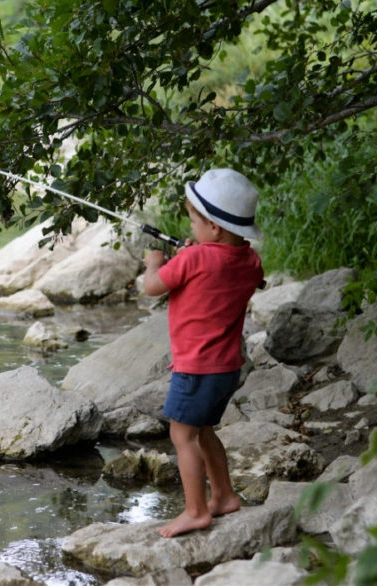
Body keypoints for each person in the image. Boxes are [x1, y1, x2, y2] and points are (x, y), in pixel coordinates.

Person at [142, 168, 265, 538]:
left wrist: (154, 262)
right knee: (204, 430)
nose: (191, 227)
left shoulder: (191, 260)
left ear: (214, 227)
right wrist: (196, 252)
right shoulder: (250, 260)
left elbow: (152, 287)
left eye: (195, 221)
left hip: (195, 368)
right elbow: (227, 267)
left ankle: (196, 511)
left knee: (182, 436)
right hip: (226, 368)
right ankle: (224, 496)